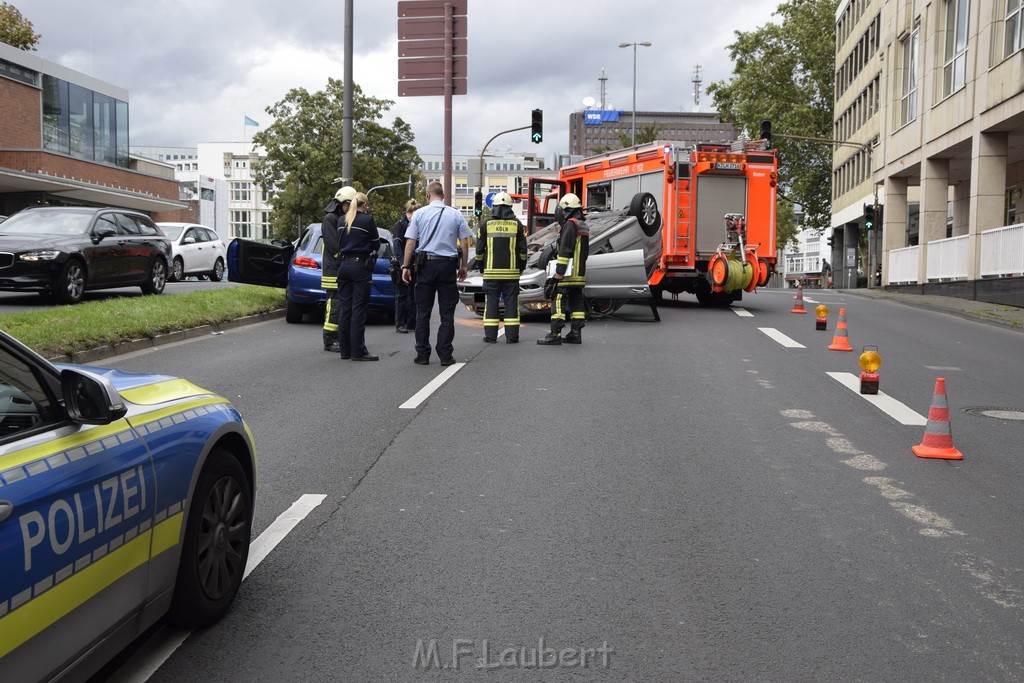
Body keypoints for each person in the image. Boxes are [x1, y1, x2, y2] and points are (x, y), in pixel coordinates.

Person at [400, 181, 473, 366]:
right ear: (443, 196)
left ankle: (423, 354)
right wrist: (464, 266)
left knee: (422, 312)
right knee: (447, 313)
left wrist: (405, 266)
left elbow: (410, 243)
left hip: (425, 266)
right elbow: (464, 242)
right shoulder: (455, 213)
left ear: (427, 196)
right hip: (447, 267)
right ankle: (445, 355)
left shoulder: (419, 213)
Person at [537, 193, 589, 346]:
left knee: (558, 300)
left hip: (567, 274)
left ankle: (555, 334)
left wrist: (558, 273)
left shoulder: (570, 225)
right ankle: (575, 334)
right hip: (579, 273)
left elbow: (565, 250)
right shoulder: (583, 224)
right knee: (576, 302)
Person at [476, 191, 527, 343]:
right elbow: (523, 251)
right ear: (510, 207)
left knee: (491, 303)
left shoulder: (486, 223)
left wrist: (481, 268)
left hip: (491, 273)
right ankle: (512, 336)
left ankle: (490, 336)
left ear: (494, 207)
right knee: (511, 303)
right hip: (511, 274)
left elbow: (479, 251)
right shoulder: (517, 224)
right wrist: (521, 268)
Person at [336, 191, 381, 361]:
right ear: (365, 204)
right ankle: (358, 351)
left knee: (345, 308)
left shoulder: (342, 220)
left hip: (343, 266)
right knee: (358, 309)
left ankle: (344, 351)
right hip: (359, 267)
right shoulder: (367, 220)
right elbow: (376, 243)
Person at [320, 186, 358, 352]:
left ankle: (340, 338)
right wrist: (346, 260)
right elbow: (333, 246)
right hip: (333, 271)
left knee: (342, 306)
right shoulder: (330, 219)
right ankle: (329, 340)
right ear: (342, 203)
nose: (351, 208)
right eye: (350, 204)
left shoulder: (341, 218)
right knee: (334, 306)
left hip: (341, 269)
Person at [392, 199, 420, 334]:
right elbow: (397, 246)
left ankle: (411, 323)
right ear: (410, 212)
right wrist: (404, 264)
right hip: (401, 265)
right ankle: (400, 323)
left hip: (414, 264)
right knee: (402, 295)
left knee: (413, 295)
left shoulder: (416, 225)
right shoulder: (400, 225)